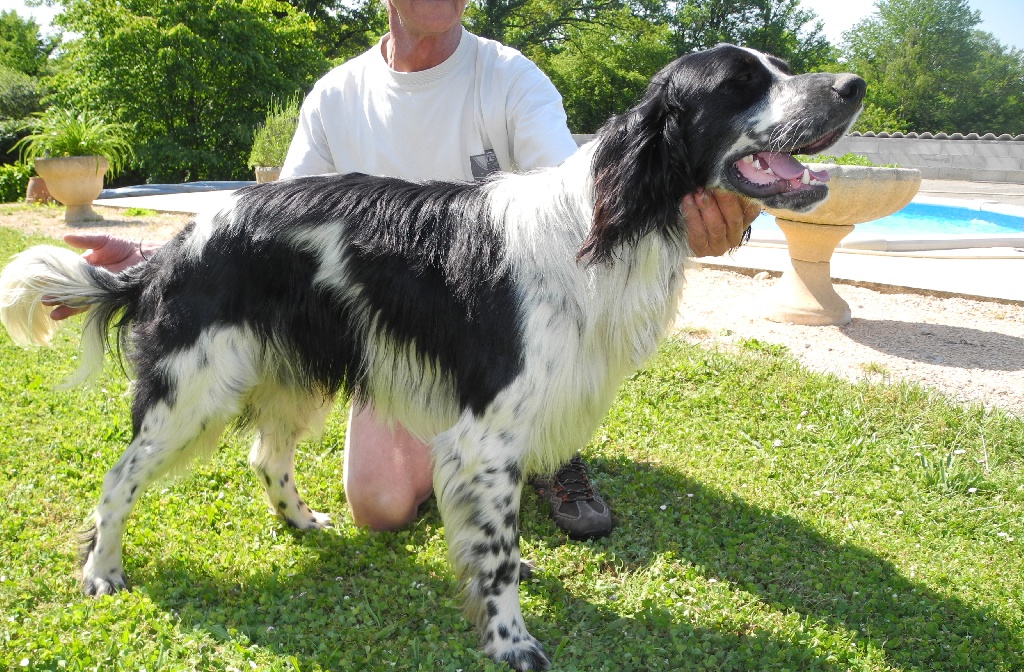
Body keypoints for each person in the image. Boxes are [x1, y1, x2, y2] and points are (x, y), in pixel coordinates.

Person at [52, 0, 760, 539]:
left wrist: (685, 219)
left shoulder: (510, 78)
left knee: (520, 400)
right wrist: (154, 264)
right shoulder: (335, 95)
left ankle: (545, 451)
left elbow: (584, 216)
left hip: (503, 342)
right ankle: (124, 521)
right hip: (391, 336)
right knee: (382, 507)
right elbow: (268, 233)